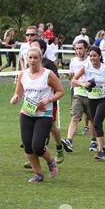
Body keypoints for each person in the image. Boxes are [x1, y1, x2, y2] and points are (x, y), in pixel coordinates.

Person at [10, 47, 64, 182]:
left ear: (40, 58)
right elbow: (19, 92)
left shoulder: (48, 74)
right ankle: (38, 174)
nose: (32, 60)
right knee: (28, 146)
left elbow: (60, 91)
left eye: (35, 58)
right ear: (27, 59)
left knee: (37, 146)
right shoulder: (23, 74)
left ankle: (50, 161)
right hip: (26, 113)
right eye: (30, 58)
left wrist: (49, 99)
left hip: (43, 115)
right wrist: (16, 97)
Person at [71, 46, 105, 160]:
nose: (92, 58)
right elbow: (73, 80)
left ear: (100, 56)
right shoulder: (86, 67)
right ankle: (104, 146)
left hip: (104, 98)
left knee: (96, 123)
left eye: (94, 56)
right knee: (95, 122)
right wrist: (83, 84)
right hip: (91, 99)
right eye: (90, 56)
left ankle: (101, 150)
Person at [61, 40, 98, 154]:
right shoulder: (73, 61)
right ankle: (69, 141)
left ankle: (93, 141)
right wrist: (81, 84)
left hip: (92, 94)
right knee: (75, 117)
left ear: (86, 49)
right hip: (78, 94)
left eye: (80, 48)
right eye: (76, 49)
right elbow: (72, 80)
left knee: (92, 120)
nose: (78, 51)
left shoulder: (91, 60)